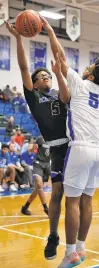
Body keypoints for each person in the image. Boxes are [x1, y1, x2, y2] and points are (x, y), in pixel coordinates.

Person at [5, 20, 68, 260]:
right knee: (57, 194)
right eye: (41, 76)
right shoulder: (34, 98)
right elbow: (23, 67)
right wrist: (19, 38)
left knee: (80, 197)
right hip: (57, 149)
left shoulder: (61, 91)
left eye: (47, 75)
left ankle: (76, 246)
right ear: (35, 83)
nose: (46, 77)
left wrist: (50, 31)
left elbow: (60, 62)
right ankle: (53, 235)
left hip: (75, 144)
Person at [45, 32, 99, 266]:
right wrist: (58, 75)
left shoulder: (79, 81)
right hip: (98, 150)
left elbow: (60, 55)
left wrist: (48, 28)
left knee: (73, 202)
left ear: (92, 72)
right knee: (87, 201)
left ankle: (69, 253)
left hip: (80, 148)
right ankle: (81, 248)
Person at [21, 135, 51, 215]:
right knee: (38, 184)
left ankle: (25, 207)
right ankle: (46, 209)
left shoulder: (55, 140)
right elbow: (31, 149)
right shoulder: (40, 138)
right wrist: (33, 147)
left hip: (47, 165)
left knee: (37, 189)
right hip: (38, 163)